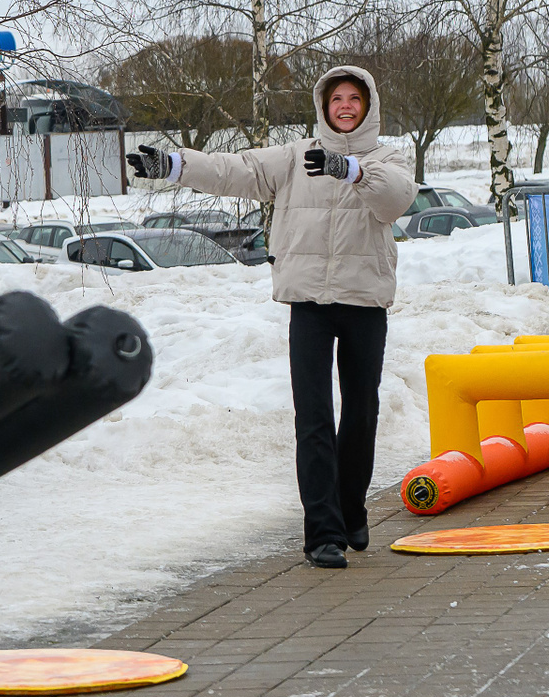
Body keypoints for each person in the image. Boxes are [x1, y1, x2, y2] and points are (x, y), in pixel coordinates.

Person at [127, 66, 414, 568]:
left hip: (364, 301)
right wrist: (173, 164)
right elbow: (233, 169)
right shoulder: (294, 157)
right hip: (308, 303)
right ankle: (323, 533)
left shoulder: (387, 158)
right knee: (313, 417)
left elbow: (395, 200)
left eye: (354, 98)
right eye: (336, 99)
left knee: (361, 413)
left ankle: (350, 507)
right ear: (323, 106)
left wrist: (349, 170)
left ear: (368, 105)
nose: (345, 107)